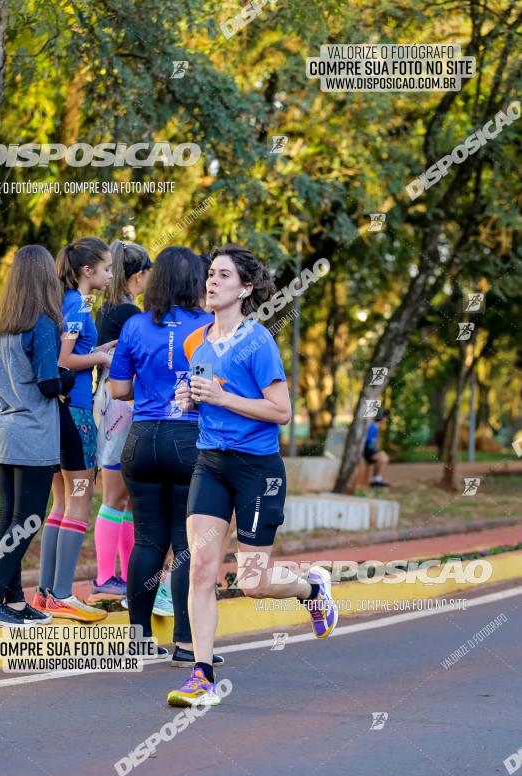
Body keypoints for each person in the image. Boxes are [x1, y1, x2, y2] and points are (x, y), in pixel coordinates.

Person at [167, 244, 338, 707]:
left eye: (223, 275)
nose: (212, 281)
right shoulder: (193, 341)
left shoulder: (258, 341)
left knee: (251, 582)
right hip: (210, 463)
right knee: (200, 567)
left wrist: (222, 399)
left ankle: (311, 588)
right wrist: (190, 401)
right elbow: (201, 393)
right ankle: (200, 674)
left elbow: (281, 411)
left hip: (257, 469)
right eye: (210, 274)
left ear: (245, 289)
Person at [109, 246, 223, 664]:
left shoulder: (136, 326)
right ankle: (187, 643)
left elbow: (118, 390)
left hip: (140, 441)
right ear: (196, 282)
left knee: (147, 541)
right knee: (186, 544)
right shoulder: (210, 327)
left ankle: (137, 640)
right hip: (188, 440)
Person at [0, 245, 75, 628]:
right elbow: (50, 383)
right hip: (32, 432)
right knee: (28, 519)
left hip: (1, 429)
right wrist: (70, 377)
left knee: (9, 518)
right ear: (46, 278)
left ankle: (13, 601)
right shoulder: (43, 323)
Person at [33, 237, 115, 622]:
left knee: (61, 503)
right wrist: (100, 357)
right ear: (88, 270)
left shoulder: (65, 301)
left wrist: (101, 349)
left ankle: (46, 594)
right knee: (79, 499)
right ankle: (63, 594)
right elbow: (65, 360)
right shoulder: (78, 304)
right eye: (107, 268)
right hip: (76, 413)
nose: (111, 275)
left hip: (58, 414)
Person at [91, 241, 150, 597]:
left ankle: (124, 577)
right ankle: (103, 578)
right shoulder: (127, 313)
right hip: (118, 404)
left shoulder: (111, 308)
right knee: (114, 496)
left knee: (124, 497)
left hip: (114, 403)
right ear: (139, 275)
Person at [364, 410, 390, 487]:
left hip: (370, 449)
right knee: (383, 458)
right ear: (382, 418)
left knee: (384, 457)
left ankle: (376, 478)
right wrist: (376, 451)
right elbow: (369, 442)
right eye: (385, 418)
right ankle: (376, 479)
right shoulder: (373, 427)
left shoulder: (376, 426)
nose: (386, 420)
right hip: (367, 451)